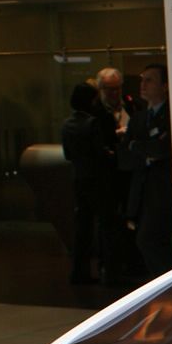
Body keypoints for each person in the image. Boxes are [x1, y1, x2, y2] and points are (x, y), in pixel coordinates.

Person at [120, 63, 172, 278]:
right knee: (147, 240)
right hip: (142, 191)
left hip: (164, 190)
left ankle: (171, 283)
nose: (143, 85)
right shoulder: (139, 118)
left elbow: (163, 149)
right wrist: (145, 151)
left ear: (165, 86)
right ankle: (167, 283)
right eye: (142, 80)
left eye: (150, 80)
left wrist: (138, 147)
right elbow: (124, 156)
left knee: (149, 239)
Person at [91, 67, 135, 284]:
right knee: (108, 224)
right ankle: (110, 268)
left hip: (130, 173)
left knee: (130, 220)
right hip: (106, 177)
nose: (114, 93)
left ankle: (131, 263)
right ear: (100, 89)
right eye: (109, 89)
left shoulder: (132, 106)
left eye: (117, 88)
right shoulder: (94, 113)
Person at [60, 83, 104, 284]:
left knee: (82, 227)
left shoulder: (67, 124)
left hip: (78, 178)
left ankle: (79, 271)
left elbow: (67, 154)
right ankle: (105, 268)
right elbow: (100, 153)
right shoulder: (92, 123)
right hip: (96, 179)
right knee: (102, 225)